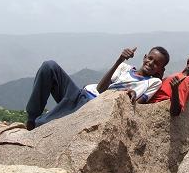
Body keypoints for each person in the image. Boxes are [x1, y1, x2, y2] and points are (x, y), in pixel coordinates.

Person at [26, 46, 170, 130]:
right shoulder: (124, 67)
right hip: (82, 93)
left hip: (93, 106)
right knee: (49, 66)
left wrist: (131, 94)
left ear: (160, 69)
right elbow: (101, 88)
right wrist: (119, 60)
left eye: (157, 64)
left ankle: (38, 125)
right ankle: (31, 119)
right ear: (144, 57)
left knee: (43, 124)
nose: (151, 63)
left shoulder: (153, 82)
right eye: (150, 58)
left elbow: (138, 104)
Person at [149, 45, 189, 116]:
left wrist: (175, 90)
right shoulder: (186, 79)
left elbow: (175, 112)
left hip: (151, 108)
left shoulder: (185, 80)